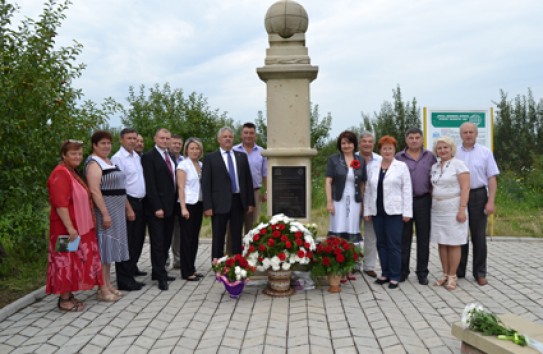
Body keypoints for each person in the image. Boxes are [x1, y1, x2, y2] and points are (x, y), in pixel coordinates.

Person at [46, 140, 105, 311]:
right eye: (73, 153)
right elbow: (60, 204)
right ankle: (64, 301)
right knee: (64, 262)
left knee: (72, 261)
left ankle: (69, 295)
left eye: (79, 154)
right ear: (64, 155)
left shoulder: (71, 172)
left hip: (76, 227)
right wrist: (70, 227)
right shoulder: (60, 174)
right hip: (65, 229)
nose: (77, 156)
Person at [85, 130, 130, 301]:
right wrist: (104, 213)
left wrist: (127, 208)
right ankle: (102, 288)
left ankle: (108, 283)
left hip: (117, 210)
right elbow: (95, 191)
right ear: (94, 145)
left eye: (108, 143)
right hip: (106, 210)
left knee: (110, 249)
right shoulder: (93, 164)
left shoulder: (108, 161)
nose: (106, 146)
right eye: (102, 143)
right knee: (104, 249)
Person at [364, 136, 412, 289]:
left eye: (390, 148)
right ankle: (384, 273)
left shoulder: (401, 166)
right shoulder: (373, 166)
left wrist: (407, 212)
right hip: (377, 211)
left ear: (394, 150)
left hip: (395, 211)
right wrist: (367, 210)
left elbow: (407, 189)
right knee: (381, 243)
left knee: (394, 244)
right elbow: (368, 191)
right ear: (380, 150)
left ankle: (395, 276)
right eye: (384, 148)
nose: (387, 151)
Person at [456, 122, 500, 286]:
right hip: (459, 196)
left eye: (471, 132)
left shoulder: (485, 152)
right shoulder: (455, 153)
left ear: (476, 134)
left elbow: (492, 178)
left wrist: (491, 201)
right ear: (460, 135)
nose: (468, 135)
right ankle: (459, 270)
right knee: (460, 234)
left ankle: (479, 273)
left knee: (478, 237)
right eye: (465, 132)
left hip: (478, 195)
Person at [202, 127, 255, 260]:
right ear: (219, 139)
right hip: (219, 203)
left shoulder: (241, 156)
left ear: (233, 139)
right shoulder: (210, 158)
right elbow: (206, 183)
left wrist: (250, 202)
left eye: (230, 137)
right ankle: (218, 262)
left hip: (238, 200)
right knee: (218, 235)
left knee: (237, 234)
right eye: (224, 137)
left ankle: (237, 261)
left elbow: (247, 181)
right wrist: (207, 206)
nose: (227, 139)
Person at [396, 127, 437, 285]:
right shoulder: (398, 157)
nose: (414, 140)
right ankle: (402, 271)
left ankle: (422, 272)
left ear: (421, 139)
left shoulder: (430, 156)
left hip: (423, 200)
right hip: (404, 202)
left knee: (423, 238)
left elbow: (434, 178)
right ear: (406, 140)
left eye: (417, 137)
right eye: (411, 138)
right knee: (404, 238)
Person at [325, 130, 366, 281]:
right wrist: (329, 202)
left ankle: (349, 268)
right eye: (343, 143)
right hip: (338, 201)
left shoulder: (360, 160)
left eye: (349, 142)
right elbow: (328, 182)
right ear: (340, 145)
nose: (346, 145)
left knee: (352, 232)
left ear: (354, 144)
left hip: (355, 202)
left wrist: (362, 203)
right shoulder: (334, 159)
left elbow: (362, 183)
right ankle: (338, 270)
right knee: (339, 232)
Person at [430, 136, 470, 290]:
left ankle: (453, 276)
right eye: (439, 148)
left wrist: (462, 208)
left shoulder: (459, 165)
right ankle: (445, 274)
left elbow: (465, 188)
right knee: (442, 242)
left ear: (451, 149)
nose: (442, 150)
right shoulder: (434, 167)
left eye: (445, 147)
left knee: (453, 242)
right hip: (438, 208)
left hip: (454, 208)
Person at [141, 128, 178, 291]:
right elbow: (150, 184)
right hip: (157, 208)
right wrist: (156, 206)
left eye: (167, 138)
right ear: (155, 138)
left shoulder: (169, 156)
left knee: (166, 241)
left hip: (170, 207)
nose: (164, 141)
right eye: (162, 138)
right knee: (157, 242)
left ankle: (159, 270)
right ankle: (160, 277)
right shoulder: (149, 157)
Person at [111, 128, 146, 291]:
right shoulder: (118, 159)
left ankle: (131, 273)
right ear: (121, 140)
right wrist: (128, 208)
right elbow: (119, 186)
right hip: (128, 203)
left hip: (140, 202)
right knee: (127, 242)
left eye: (134, 138)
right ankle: (124, 280)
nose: (132, 141)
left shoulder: (136, 157)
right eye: (129, 138)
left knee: (137, 241)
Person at [228, 122, 267, 252]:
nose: (248, 136)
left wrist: (266, 191)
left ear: (255, 135)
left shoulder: (262, 152)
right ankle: (231, 256)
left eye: (251, 133)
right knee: (234, 226)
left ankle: (251, 255)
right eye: (246, 133)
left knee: (253, 226)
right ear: (241, 134)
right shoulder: (233, 150)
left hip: (255, 192)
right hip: (236, 193)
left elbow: (265, 174)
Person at [176, 138, 204, 281]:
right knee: (186, 239)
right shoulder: (183, 165)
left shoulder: (201, 164)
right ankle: (186, 271)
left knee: (194, 239)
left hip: (199, 204)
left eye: (197, 148)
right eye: (192, 148)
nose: (195, 151)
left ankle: (192, 268)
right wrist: (183, 207)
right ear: (186, 150)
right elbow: (180, 187)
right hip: (187, 205)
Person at [357, 131, 382, 278]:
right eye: (364, 141)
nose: (367, 144)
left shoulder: (379, 159)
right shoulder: (351, 157)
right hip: (354, 201)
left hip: (373, 201)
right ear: (359, 143)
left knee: (371, 235)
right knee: (353, 234)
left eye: (370, 141)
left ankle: (369, 266)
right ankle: (353, 265)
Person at [169, 134, 184, 269]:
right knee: (166, 231)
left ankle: (178, 259)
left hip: (180, 201)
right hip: (167, 200)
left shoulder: (184, 161)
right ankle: (165, 259)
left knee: (178, 231)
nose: (177, 146)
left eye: (179, 143)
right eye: (174, 143)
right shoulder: (165, 159)